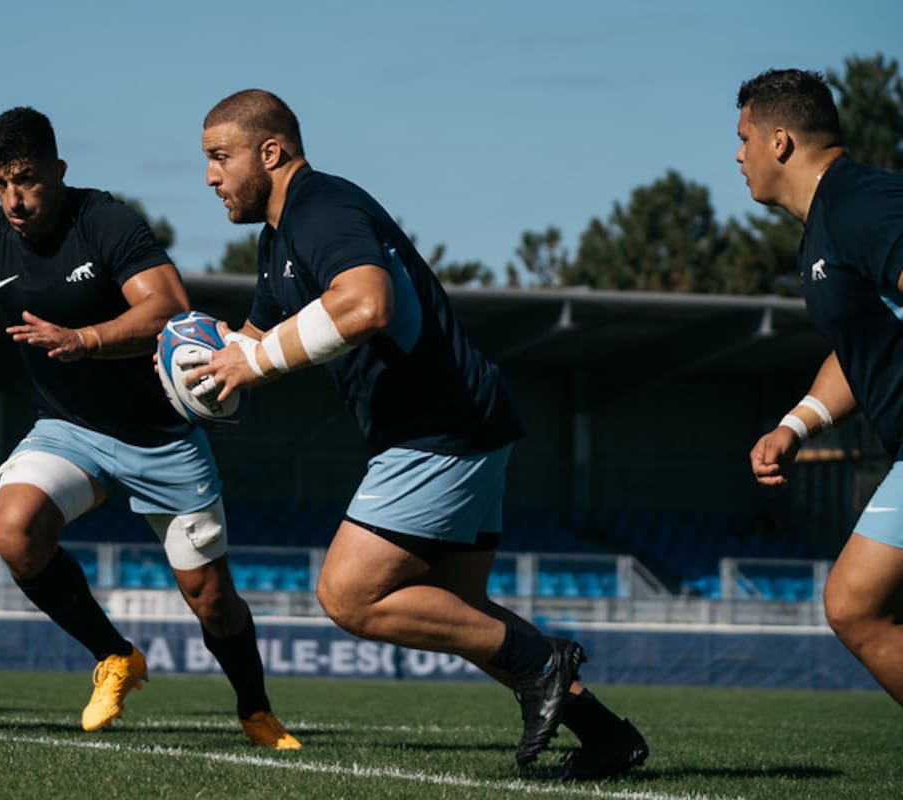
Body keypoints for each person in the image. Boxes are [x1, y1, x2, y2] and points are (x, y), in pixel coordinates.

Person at [192, 89, 647, 777]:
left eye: (220, 158)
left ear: (272, 152)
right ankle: (605, 735)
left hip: (438, 426)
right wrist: (202, 365)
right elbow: (255, 340)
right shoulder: (278, 239)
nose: (210, 177)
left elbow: (366, 303)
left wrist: (252, 359)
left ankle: (544, 662)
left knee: (349, 595)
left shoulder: (321, 208)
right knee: (457, 612)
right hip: (464, 419)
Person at [0, 107, 299, 749]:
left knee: (211, 600)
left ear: (59, 170)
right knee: (13, 530)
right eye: (0, 184)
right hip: (71, 429)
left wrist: (83, 339)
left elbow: (168, 307)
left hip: (162, 437)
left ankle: (255, 710)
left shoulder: (106, 222)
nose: (14, 200)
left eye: (27, 180)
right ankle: (116, 656)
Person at [740, 68, 903, 706]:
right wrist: (795, 425)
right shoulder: (826, 225)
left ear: (780, 142)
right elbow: (862, 342)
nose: (738, 154)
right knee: (854, 605)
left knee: (853, 603)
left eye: (744, 137)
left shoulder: (861, 202)